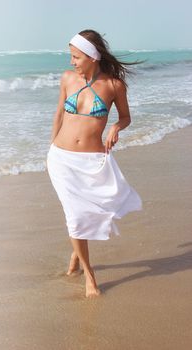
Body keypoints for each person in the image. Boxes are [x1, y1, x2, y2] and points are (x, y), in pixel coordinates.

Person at [46, 29, 144, 298]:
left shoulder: (114, 86)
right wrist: (51, 150)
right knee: (75, 216)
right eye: (71, 56)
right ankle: (90, 276)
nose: (71, 62)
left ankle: (76, 255)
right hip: (61, 160)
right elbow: (58, 115)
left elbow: (126, 117)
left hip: (91, 162)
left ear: (91, 56)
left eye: (76, 57)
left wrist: (116, 127)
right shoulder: (67, 79)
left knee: (84, 215)